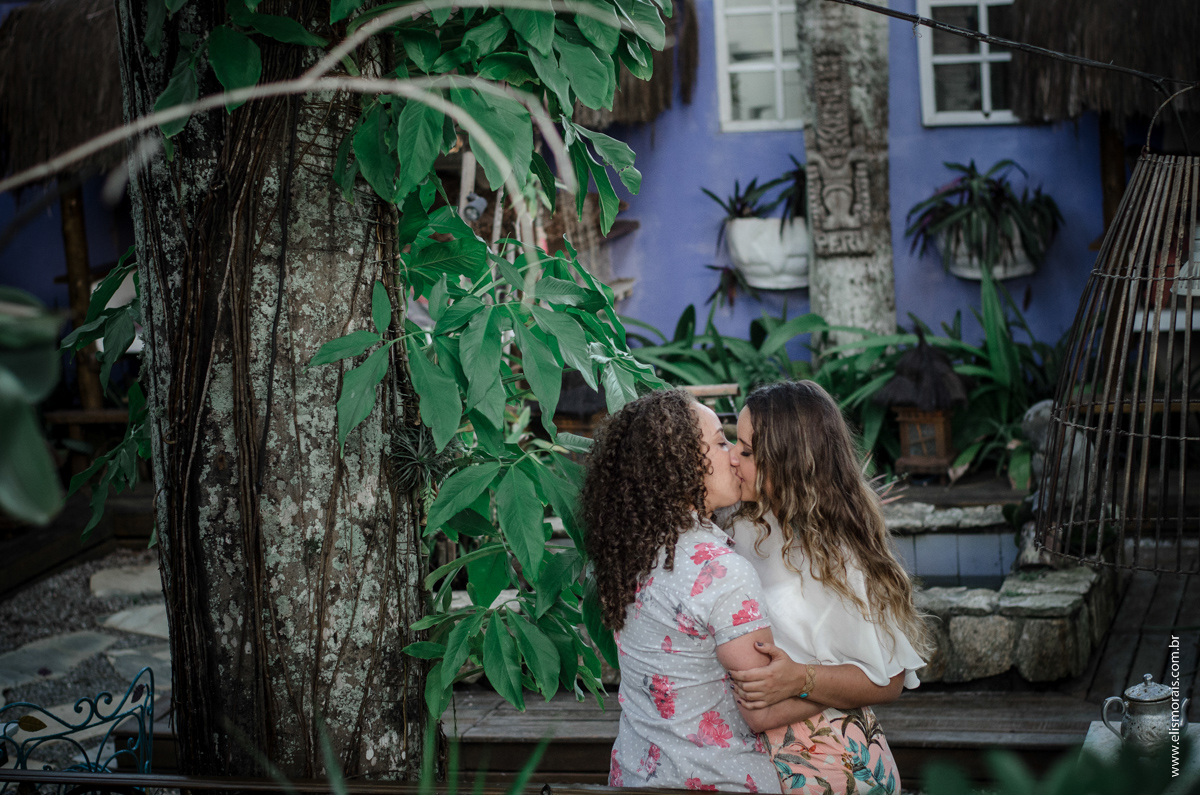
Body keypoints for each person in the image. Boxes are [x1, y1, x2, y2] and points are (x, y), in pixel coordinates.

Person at [581, 389, 824, 793]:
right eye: (719, 442)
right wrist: (850, 689)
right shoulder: (721, 572)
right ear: (679, 464)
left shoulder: (633, 553)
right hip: (719, 780)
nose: (733, 455)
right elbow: (761, 711)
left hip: (635, 776)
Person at [725, 380, 931, 795]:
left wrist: (800, 678)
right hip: (746, 760)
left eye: (747, 451)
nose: (732, 457)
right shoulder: (738, 524)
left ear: (788, 461)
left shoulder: (842, 554)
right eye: (734, 443)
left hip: (835, 763)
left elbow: (889, 680)